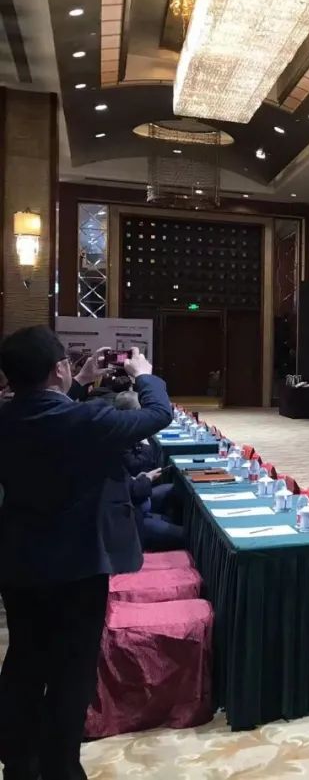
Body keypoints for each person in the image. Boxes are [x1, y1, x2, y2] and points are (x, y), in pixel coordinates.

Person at [0, 329, 171, 780]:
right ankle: (60, 768)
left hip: (19, 563)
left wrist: (77, 382)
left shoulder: (8, 417)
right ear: (57, 368)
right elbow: (158, 414)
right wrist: (144, 375)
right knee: (70, 673)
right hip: (78, 567)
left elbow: (47, 415)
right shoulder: (88, 420)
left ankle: (18, 765)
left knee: (24, 661)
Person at [114, 391, 183, 551]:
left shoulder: (125, 432)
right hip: (132, 517)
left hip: (139, 501)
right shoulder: (119, 439)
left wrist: (141, 478)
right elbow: (137, 470)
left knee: (176, 489)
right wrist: (146, 478)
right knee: (187, 536)